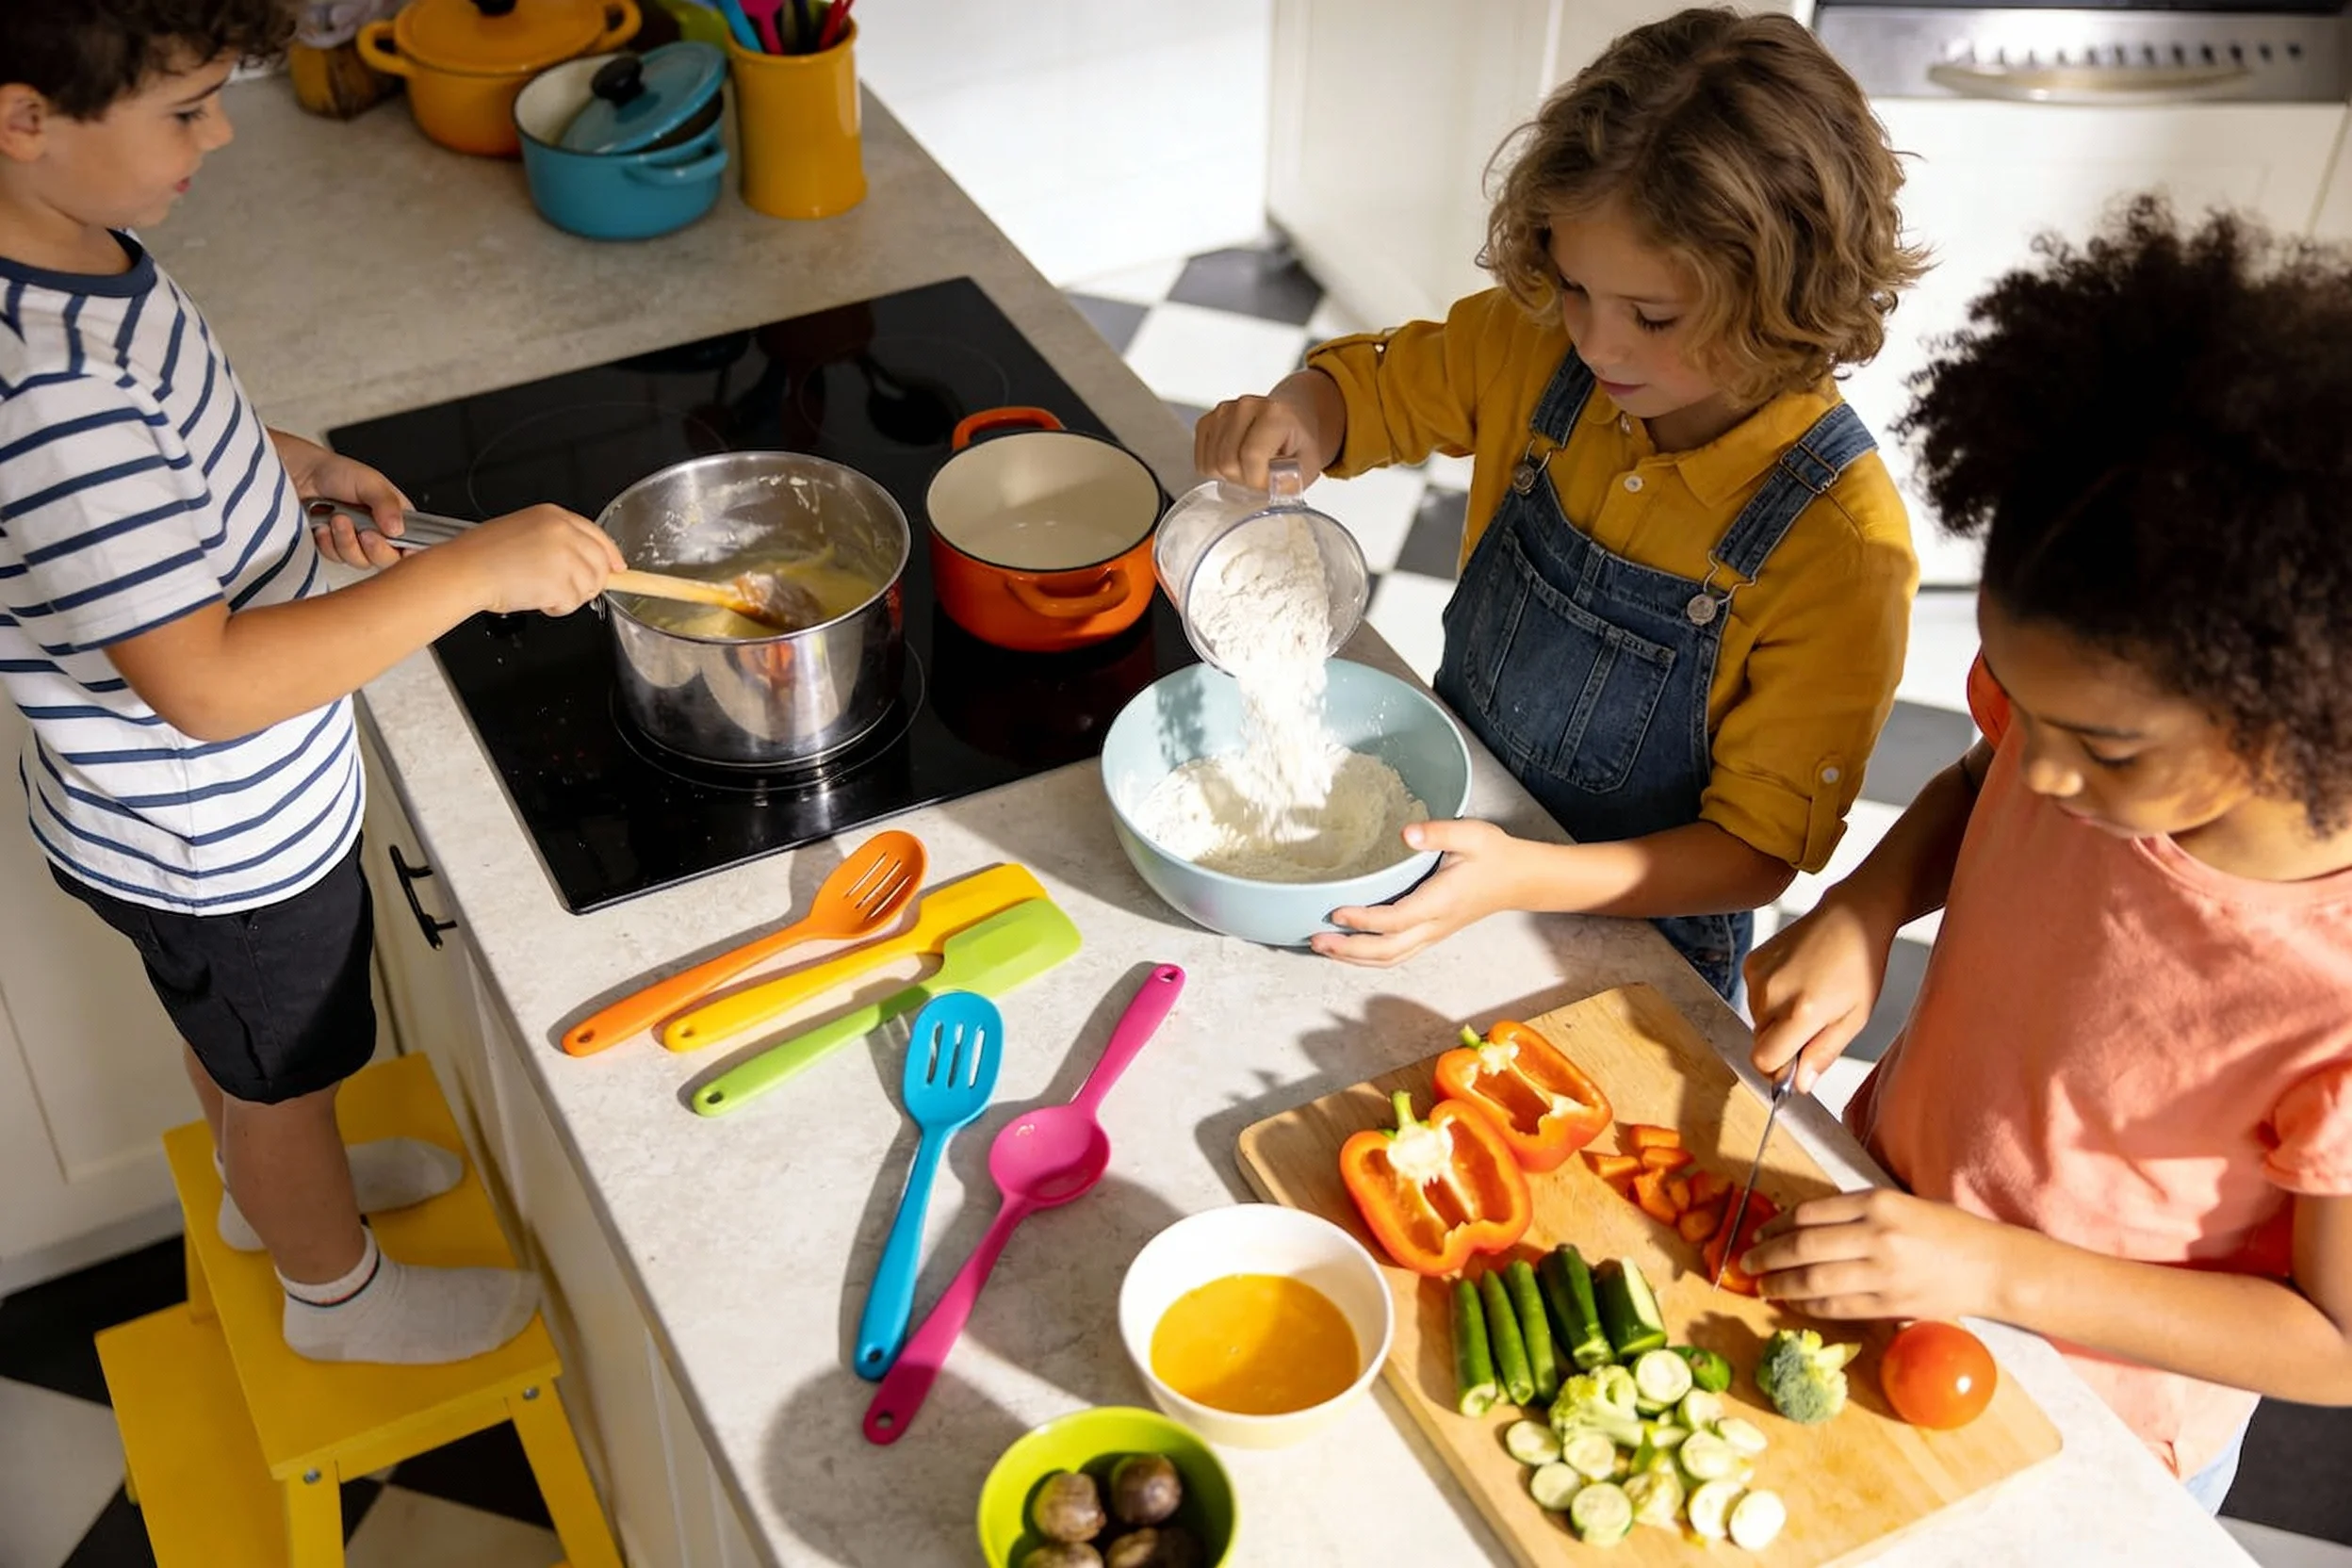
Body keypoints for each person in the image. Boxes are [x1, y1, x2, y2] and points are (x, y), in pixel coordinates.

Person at [0, 2, 625, 1364]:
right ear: (23, 120)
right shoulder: (53, 390)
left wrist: (292, 469)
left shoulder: (69, 258)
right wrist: (469, 575)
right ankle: (334, 1294)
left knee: (245, 1049)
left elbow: (175, 449)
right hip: (217, 839)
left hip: (166, 819)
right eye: (186, 110)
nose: (221, 134)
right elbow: (208, 687)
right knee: (282, 1070)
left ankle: (268, 1196)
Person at [1741, 198, 2352, 1511]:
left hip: (2090, 1419)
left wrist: (1988, 1269)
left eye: (2102, 747)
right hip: (1891, 1232)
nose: (2042, 769)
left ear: (2292, 706)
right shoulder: (2081, 730)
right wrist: (1867, 905)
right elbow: (1982, 780)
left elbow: (2335, 1342)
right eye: (2022, 705)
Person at [1192, 8, 1923, 994]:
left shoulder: (1842, 548)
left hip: (1637, 950)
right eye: (1577, 287)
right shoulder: (1533, 343)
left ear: (1785, 296)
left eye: (1652, 317)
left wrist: (1521, 876)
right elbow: (1370, 394)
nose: (1597, 342)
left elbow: (1753, 853)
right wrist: (1298, 417)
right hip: (1455, 847)